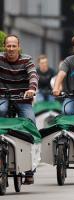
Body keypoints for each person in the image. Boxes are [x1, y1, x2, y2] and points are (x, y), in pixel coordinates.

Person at [0, 34, 38, 184]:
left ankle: (30, 171)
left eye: (14, 46)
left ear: (19, 47)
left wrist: (32, 88)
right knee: (1, 113)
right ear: (4, 47)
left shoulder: (27, 60)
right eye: (8, 46)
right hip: (3, 98)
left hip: (23, 99)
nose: (11, 49)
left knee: (30, 123)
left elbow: (33, 75)